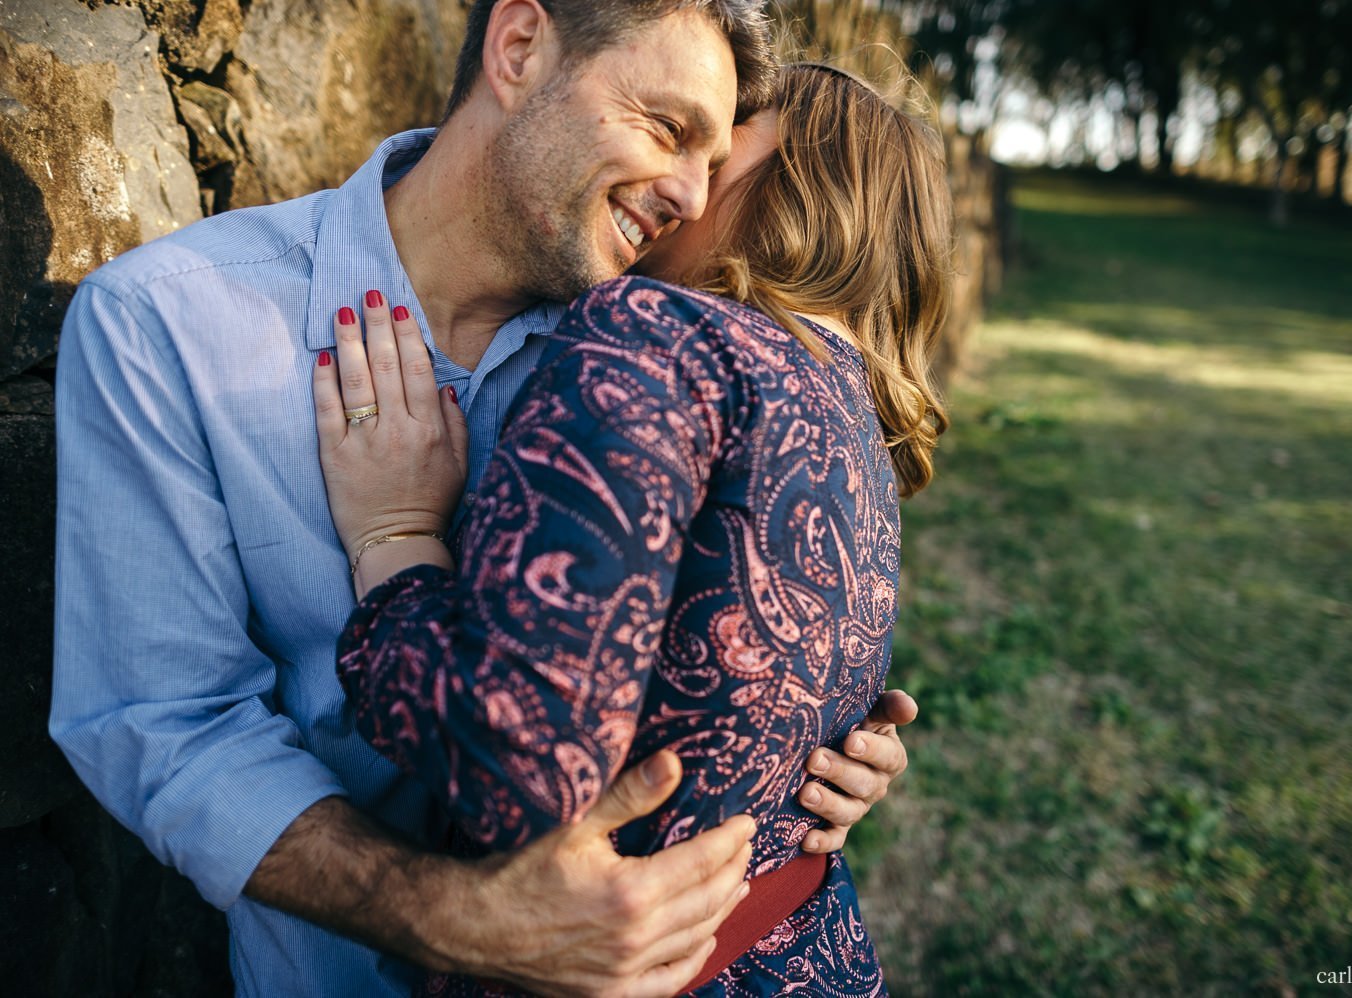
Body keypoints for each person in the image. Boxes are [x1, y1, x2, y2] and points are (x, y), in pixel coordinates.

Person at [49, 3, 916, 995]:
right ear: (518, 48)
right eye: (668, 129)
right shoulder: (171, 323)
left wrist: (810, 753)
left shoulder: (655, 360)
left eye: (714, 166)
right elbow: (162, 721)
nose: (687, 193)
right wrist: (463, 920)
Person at [313, 61, 952, 995]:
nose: (687, 184)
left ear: (802, 181)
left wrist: (398, 536)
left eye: (725, 146)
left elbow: (519, 759)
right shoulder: (854, 419)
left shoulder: (662, 331)